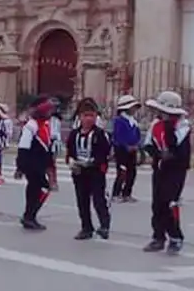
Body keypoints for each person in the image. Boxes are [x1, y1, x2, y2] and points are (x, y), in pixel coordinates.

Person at [141, 90, 192, 255]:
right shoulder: (155, 125)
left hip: (176, 171)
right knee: (157, 204)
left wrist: (169, 128)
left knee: (170, 203)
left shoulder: (182, 126)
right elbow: (149, 145)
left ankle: (176, 236)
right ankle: (158, 237)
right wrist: (157, 155)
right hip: (160, 168)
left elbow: (176, 145)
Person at [66, 98, 112, 240]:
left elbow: (106, 153)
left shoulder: (99, 134)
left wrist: (93, 163)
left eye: (91, 115)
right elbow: (70, 152)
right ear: (80, 117)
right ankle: (86, 227)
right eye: (85, 115)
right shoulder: (74, 134)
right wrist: (73, 163)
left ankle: (104, 225)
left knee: (98, 199)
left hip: (95, 172)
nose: (88, 119)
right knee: (82, 200)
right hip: (79, 172)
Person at [15, 96, 55, 230]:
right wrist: (20, 167)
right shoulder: (31, 125)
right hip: (31, 165)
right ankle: (29, 216)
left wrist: (50, 166)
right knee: (39, 189)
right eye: (48, 110)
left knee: (38, 189)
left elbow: (48, 147)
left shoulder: (45, 125)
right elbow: (23, 147)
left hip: (40, 165)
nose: (50, 113)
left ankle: (30, 216)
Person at [110, 95, 142, 202]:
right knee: (122, 172)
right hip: (122, 150)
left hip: (132, 149)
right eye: (133, 107)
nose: (134, 110)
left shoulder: (133, 121)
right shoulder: (119, 120)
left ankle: (127, 193)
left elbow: (137, 135)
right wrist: (126, 146)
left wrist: (136, 145)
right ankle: (116, 193)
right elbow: (118, 136)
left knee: (132, 172)